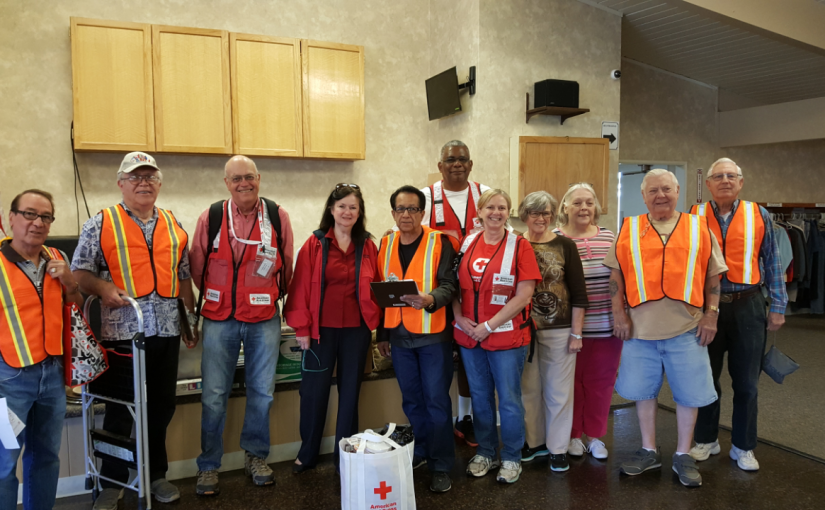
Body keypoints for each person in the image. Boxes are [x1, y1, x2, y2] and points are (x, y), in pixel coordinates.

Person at [72, 153, 197, 509]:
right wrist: (102, 288)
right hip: (121, 335)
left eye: (150, 177)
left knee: (160, 408)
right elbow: (80, 273)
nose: (144, 183)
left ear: (159, 183)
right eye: (135, 177)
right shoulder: (101, 222)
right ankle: (113, 480)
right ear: (121, 183)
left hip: (168, 331)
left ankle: (156, 474)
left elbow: (183, 276)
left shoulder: (173, 224)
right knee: (118, 410)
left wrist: (191, 320)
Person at [604, 168, 727, 488]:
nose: (660, 195)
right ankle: (648, 449)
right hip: (639, 332)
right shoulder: (628, 228)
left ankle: (683, 454)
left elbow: (713, 277)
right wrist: (619, 314)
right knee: (643, 393)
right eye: (653, 190)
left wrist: (711, 316)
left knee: (689, 395)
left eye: (667, 189)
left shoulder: (699, 228)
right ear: (643, 196)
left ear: (677, 192)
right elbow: (614, 276)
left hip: (687, 329)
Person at [190, 155, 294, 497]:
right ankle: (208, 465)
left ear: (259, 178)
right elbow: (197, 266)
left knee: (262, 394)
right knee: (214, 396)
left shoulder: (277, 216)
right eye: (236, 179)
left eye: (249, 177)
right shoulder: (212, 216)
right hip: (219, 319)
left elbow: (287, 267)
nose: (243, 183)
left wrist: (274, 297)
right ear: (226, 183)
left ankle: (256, 457)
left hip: (264, 320)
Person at [690, 158, 788, 471]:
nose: (725, 181)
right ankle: (706, 439)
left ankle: (744, 447)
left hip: (749, 305)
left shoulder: (759, 214)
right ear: (708, 185)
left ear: (741, 182)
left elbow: (773, 262)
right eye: (718, 176)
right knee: (707, 379)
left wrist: (778, 307)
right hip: (708, 309)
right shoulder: (694, 216)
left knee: (747, 383)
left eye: (731, 176)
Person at [284, 184, 380, 473]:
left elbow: (378, 286)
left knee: (350, 393)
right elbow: (299, 287)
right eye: (342, 206)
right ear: (331, 209)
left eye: (353, 207)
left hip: (356, 331)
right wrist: (301, 328)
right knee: (314, 393)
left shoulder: (368, 246)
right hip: (319, 333)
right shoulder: (314, 245)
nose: (347, 212)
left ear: (359, 211)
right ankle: (308, 452)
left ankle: (346, 455)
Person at [0, 190, 82, 510]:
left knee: (47, 457)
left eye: (45, 217)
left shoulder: (57, 257)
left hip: (51, 377)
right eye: (30, 214)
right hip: (8, 381)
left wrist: (71, 283)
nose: (38, 223)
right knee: (4, 462)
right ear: (12, 218)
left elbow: (74, 310)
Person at [453, 189, 541, 484]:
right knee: (479, 397)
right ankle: (486, 453)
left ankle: (512, 457)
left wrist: (489, 325)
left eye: (502, 208)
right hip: (469, 337)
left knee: (509, 400)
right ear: (479, 211)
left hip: (506, 337)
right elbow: (452, 285)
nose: (496, 212)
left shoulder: (520, 245)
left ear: (508, 212)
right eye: (490, 207)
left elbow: (524, 294)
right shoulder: (467, 243)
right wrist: (458, 317)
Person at [375, 185, 458, 493]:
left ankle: (441, 464)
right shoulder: (385, 242)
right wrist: (382, 333)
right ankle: (420, 452)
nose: (406, 215)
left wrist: (431, 299)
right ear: (393, 212)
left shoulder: (441, 242)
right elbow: (383, 290)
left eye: (412, 209)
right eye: (400, 209)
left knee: (436, 402)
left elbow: (451, 284)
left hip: (433, 336)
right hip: (397, 337)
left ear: (423, 213)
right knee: (412, 401)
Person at [423, 140, 491, 447]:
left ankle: (466, 416)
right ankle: (439, 420)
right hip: (439, 288)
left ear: (471, 163)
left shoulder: (485, 194)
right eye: (450, 159)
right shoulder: (426, 197)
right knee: (439, 355)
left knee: (470, 355)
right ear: (440, 165)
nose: (457, 164)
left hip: (477, 289)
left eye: (463, 159)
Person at [518, 191, 588, 473]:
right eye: (535, 213)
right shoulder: (514, 244)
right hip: (522, 330)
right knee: (528, 390)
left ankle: (558, 448)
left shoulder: (565, 246)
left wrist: (577, 332)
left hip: (560, 329)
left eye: (546, 213)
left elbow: (579, 294)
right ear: (525, 215)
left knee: (559, 391)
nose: (541, 218)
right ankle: (534, 443)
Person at [554, 183, 622, 460]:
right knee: (569, 383)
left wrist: (621, 316)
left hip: (606, 326)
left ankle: (594, 436)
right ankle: (572, 434)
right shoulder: (555, 238)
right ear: (565, 208)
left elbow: (621, 278)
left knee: (601, 382)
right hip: (567, 328)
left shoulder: (609, 237)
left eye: (590, 203)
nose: (584, 208)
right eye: (578, 203)